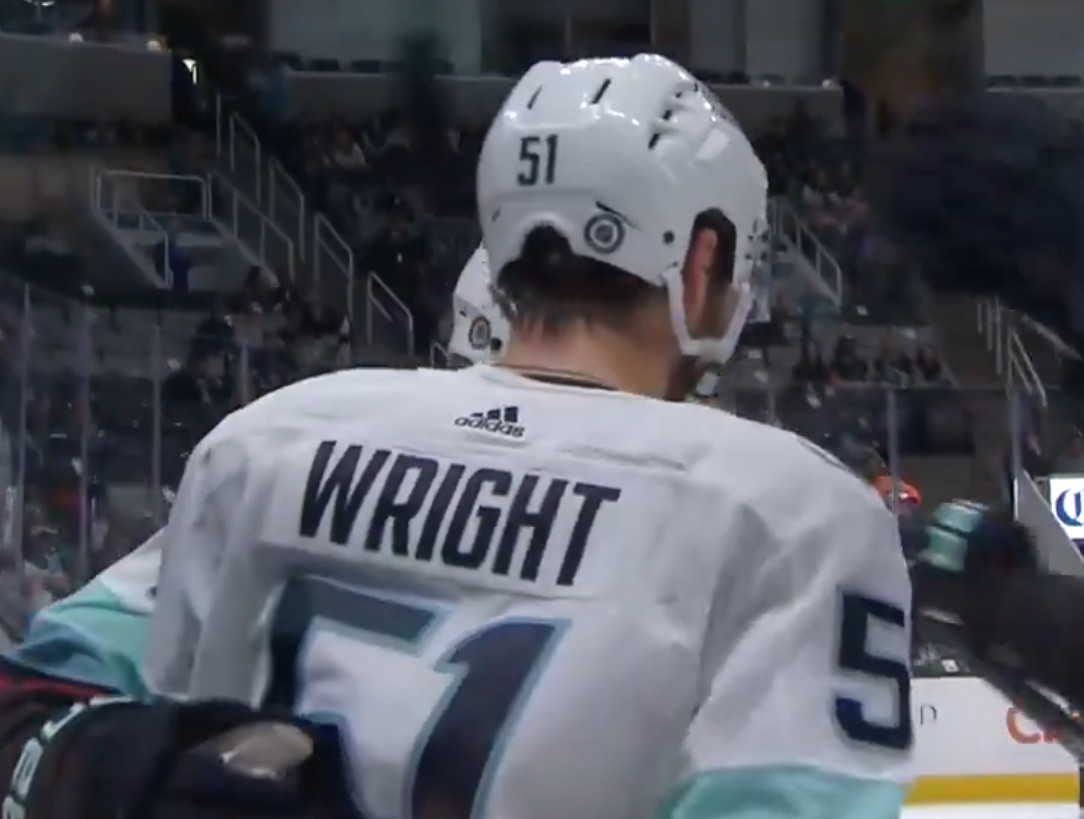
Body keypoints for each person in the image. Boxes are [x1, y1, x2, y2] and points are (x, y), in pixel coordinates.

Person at [1, 55, 913, 819]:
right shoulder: (789, 515)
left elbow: (28, 711)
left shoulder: (275, 438)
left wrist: (126, 771)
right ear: (702, 258)